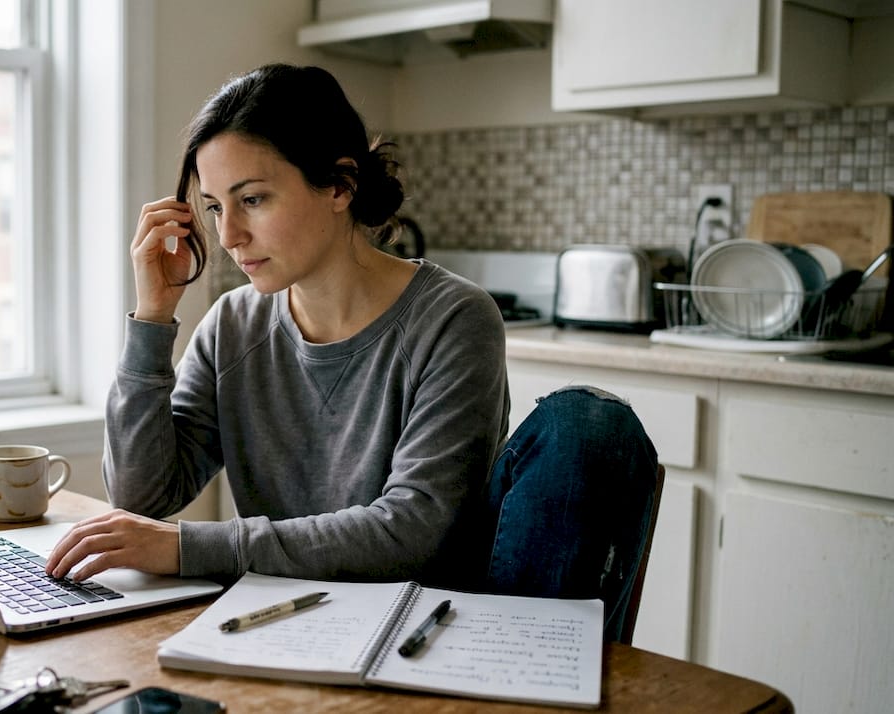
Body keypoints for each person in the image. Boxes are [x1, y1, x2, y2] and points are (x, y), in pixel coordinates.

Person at [46, 63, 659, 640]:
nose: (228, 235)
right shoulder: (232, 323)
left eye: (252, 199)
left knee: (586, 421)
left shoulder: (453, 317)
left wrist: (188, 547)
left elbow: (414, 531)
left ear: (340, 185)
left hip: (426, 626)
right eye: (214, 207)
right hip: (289, 620)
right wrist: (152, 318)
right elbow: (142, 497)